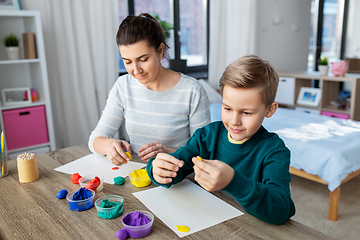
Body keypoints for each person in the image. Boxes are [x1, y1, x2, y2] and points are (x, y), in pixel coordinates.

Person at [146, 55, 296, 225]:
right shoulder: (207, 135)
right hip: (206, 222)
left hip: (250, 228)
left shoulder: (274, 151)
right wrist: (156, 168)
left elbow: (282, 209)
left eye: (246, 112)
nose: (234, 121)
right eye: (227, 108)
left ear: (270, 110)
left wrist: (233, 181)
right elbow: (176, 167)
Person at [88, 13, 210, 165]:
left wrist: (170, 153)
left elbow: (204, 152)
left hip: (177, 177)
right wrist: (109, 146)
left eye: (143, 60)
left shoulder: (192, 91)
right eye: (127, 62)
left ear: (160, 51)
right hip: (137, 176)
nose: (136, 70)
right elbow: (96, 139)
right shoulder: (123, 86)